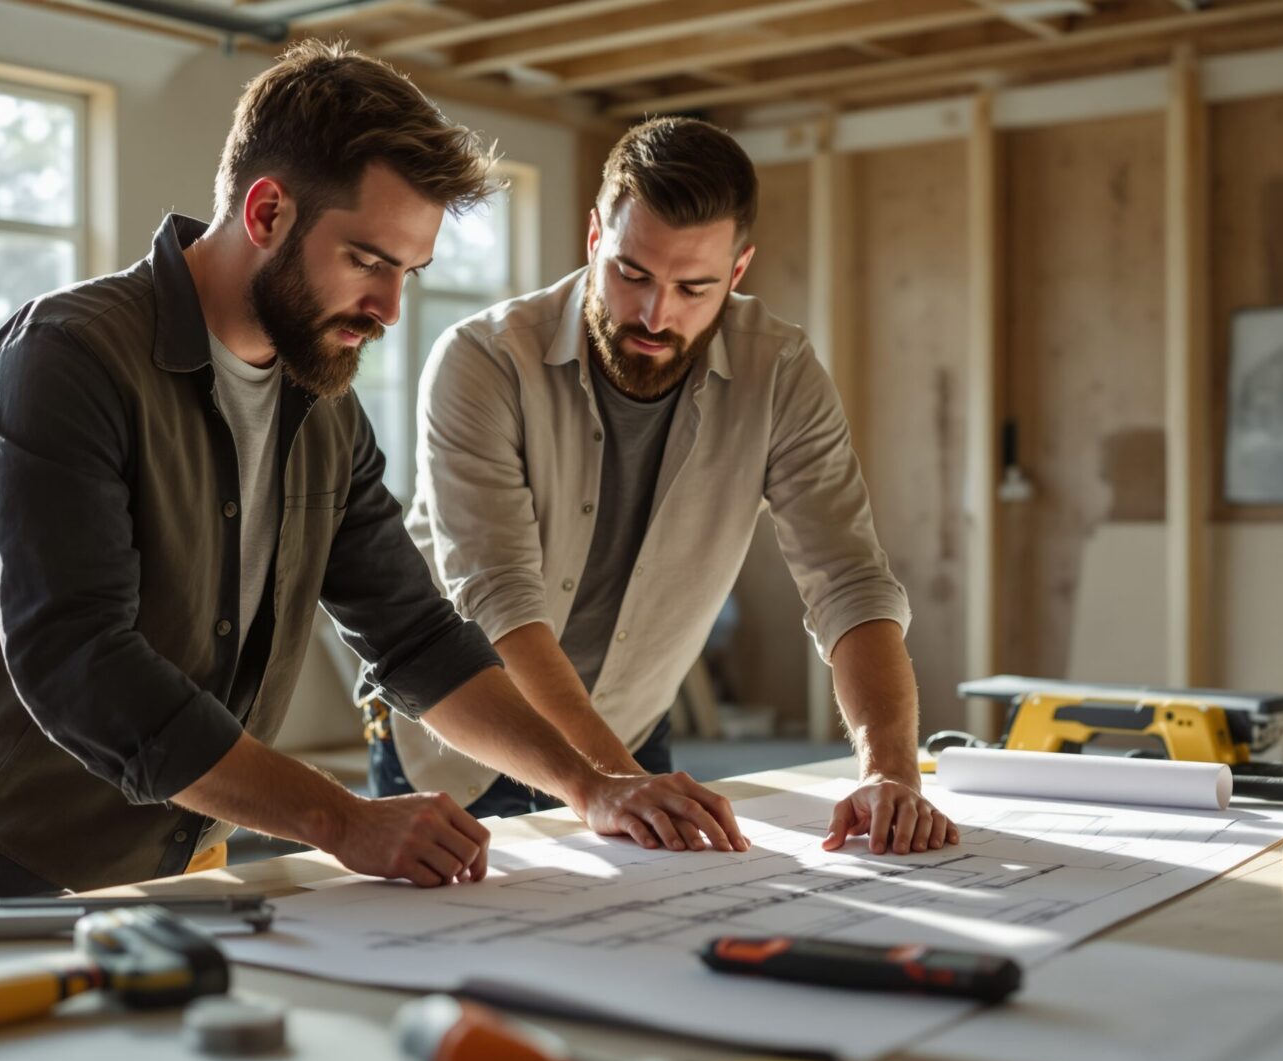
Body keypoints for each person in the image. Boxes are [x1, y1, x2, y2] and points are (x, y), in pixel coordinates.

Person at [0, 44, 745, 904]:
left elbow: (413, 637)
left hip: (195, 849)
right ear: (266, 211)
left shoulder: (321, 398)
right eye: (367, 261)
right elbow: (80, 663)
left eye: (407, 273)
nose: (388, 308)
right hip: (28, 864)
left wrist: (590, 785)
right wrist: (342, 819)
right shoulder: (68, 358)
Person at [380, 117, 958, 856]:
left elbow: (848, 581)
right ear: (595, 239)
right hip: (462, 752)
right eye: (632, 274)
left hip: (630, 740)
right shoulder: (481, 364)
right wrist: (608, 784)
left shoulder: (778, 373)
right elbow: (499, 603)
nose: (656, 316)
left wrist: (892, 773)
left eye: (694, 287)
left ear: (738, 271)